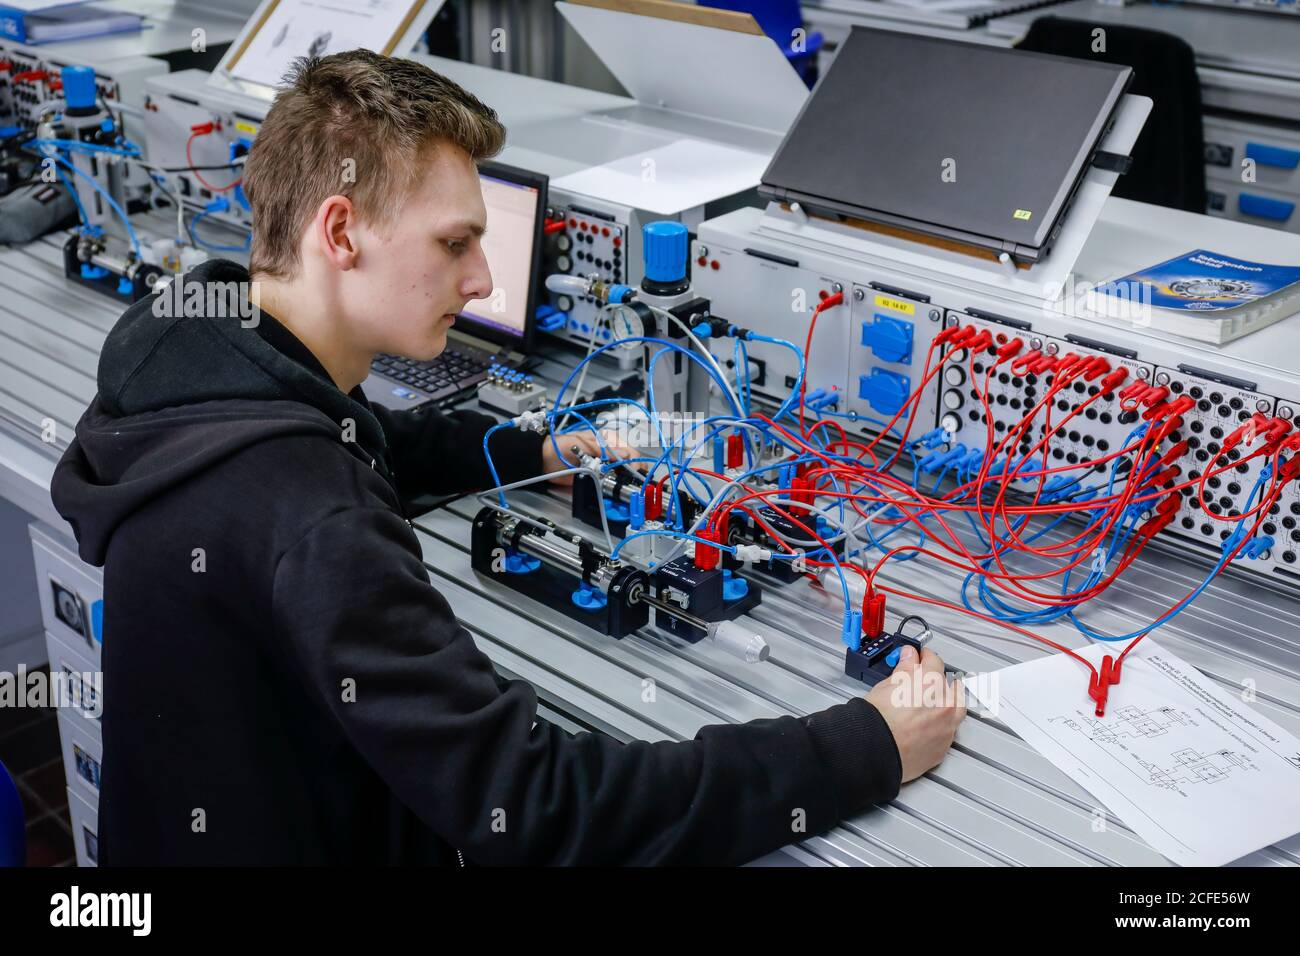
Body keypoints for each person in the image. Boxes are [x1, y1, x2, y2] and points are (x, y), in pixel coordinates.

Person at [50, 50, 965, 865]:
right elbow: (538, 808)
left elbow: (354, 437)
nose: (483, 280)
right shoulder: (314, 521)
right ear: (339, 232)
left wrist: (534, 451)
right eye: (454, 244)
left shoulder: (187, 352)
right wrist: (864, 748)